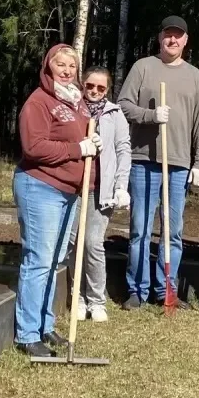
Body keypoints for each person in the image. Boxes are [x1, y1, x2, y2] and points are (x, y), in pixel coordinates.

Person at [117, 16, 199, 308]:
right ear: (160, 38)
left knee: (173, 231)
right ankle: (137, 290)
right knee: (140, 229)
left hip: (179, 163)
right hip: (144, 160)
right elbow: (122, 105)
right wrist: (150, 116)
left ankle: (166, 290)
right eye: (168, 35)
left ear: (185, 40)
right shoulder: (143, 67)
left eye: (178, 36)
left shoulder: (195, 76)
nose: (172, 40)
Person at [14, 44, 100, 356]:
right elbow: (33, 147)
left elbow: (78, 140)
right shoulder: (39, 102)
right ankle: (27, 335)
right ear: (48, 66)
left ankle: (45, 326)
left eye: (72, 66)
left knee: (54, 261)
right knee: (39, 260)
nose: (66, 70)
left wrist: (92, 145)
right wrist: (78, 149)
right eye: (60, 64)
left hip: (68, 191)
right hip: (41, 187)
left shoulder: (78, 103)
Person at [74, 66, 132, 323]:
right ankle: (77, 297)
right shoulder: (73, 108)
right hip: (74, 188)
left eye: (101, 87)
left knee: (92, 243)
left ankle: (96, 300)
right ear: (83, 84)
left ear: (107, 90)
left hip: (101, 190)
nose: (95, 91)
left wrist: (121, 186)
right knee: (73, 243)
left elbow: (123, 150)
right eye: (90, 86)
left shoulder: (114, 114)